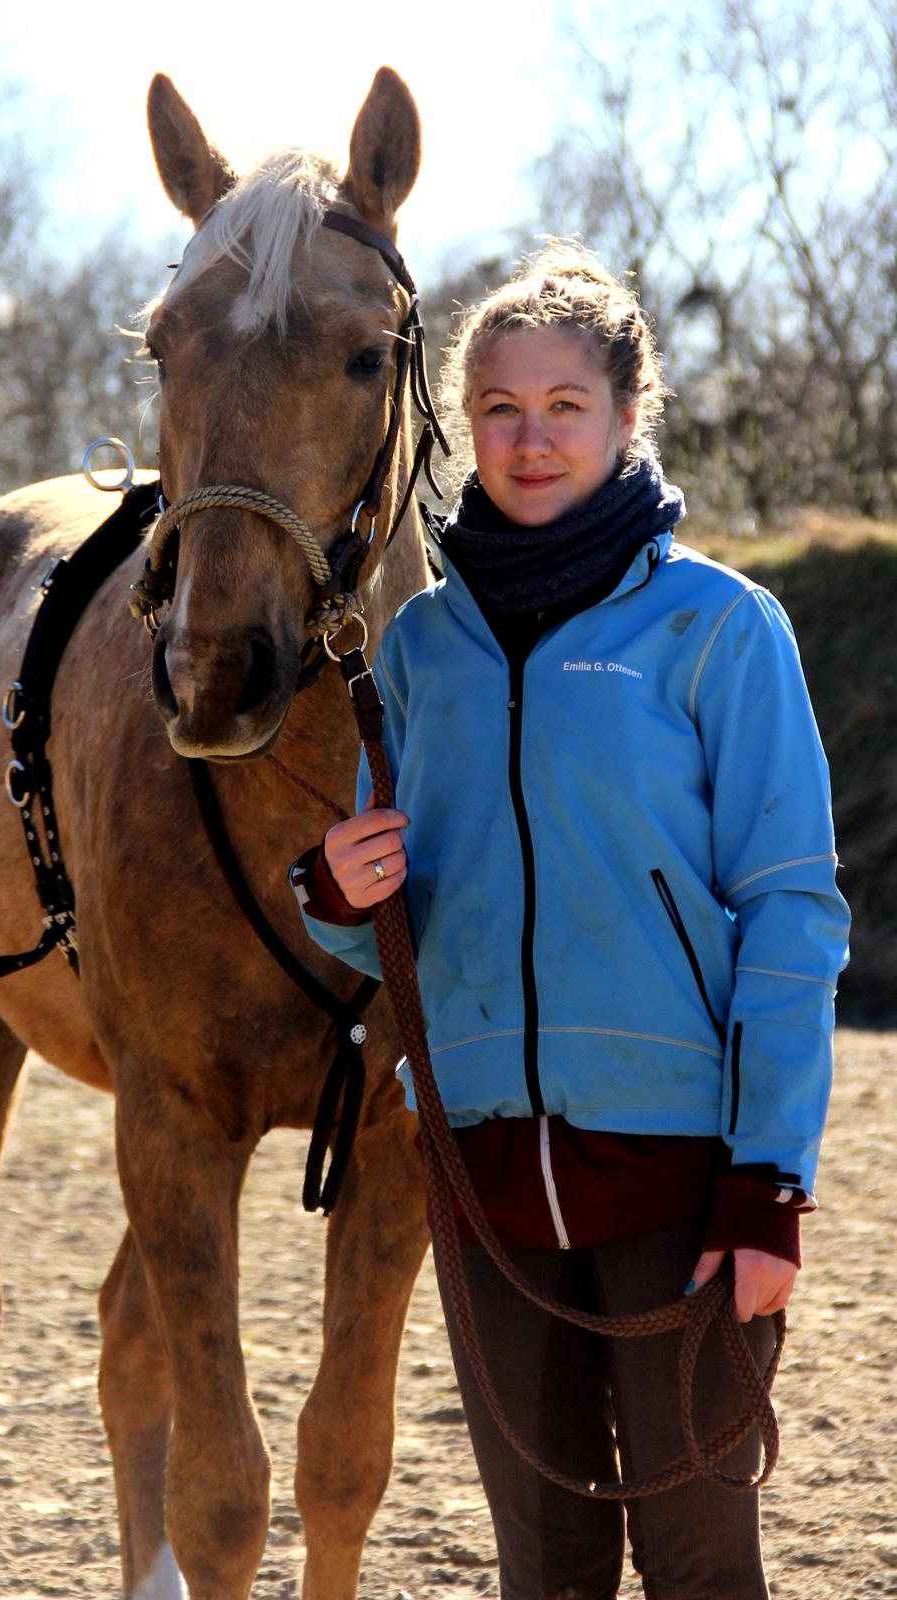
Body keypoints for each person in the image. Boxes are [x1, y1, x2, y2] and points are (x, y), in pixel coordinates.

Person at [288, 243, 851, 1600]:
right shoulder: (418, 648)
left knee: (702, 1560)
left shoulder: (722, 626)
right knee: (543, 1568)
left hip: (685, 1178)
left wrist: (769, 1180)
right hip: (481, 1183)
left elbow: (792, 912)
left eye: (564, 406)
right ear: (459, 424)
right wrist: (338, 894)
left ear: (627, 417)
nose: (529, 439)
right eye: (496, 408)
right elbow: (392, 929)